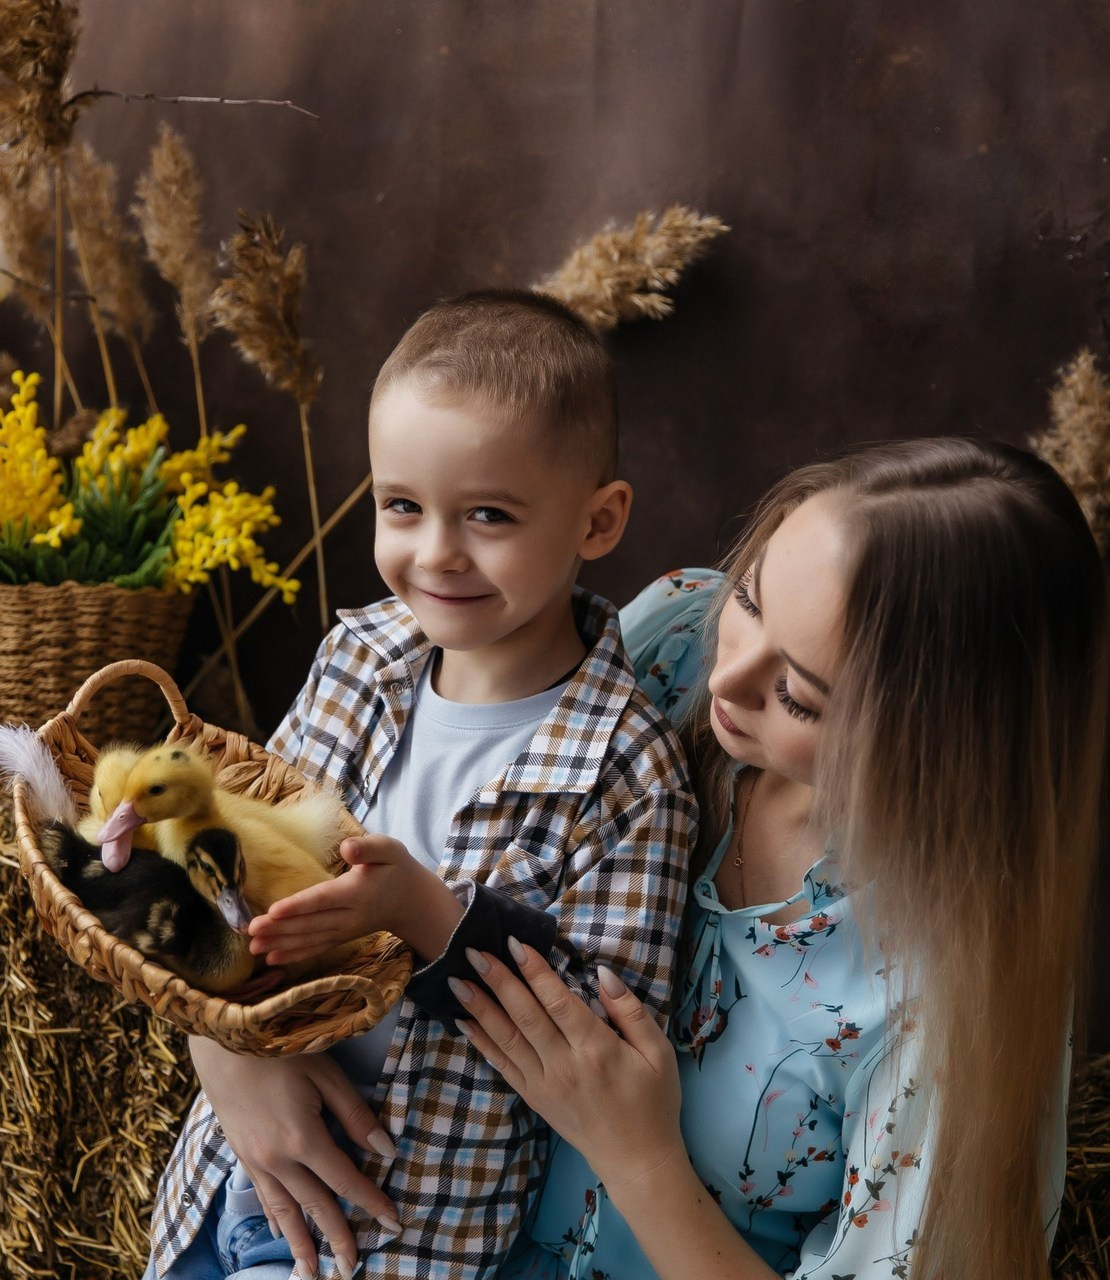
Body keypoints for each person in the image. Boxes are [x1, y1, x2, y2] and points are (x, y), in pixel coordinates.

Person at [450, 437, 1109, 1280]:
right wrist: (271, 1055)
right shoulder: (675, 640)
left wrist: (638, 1154)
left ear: (939, 746)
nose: (726, 681)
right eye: (751, 600)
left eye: (798, 695)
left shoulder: (942, 1000)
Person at [142, 291, 697, 1280]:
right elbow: (229, 861)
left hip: (394, 1230)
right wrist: (221, 1037)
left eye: (488, 515)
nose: (435, 552)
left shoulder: (628, 771)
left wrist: (421, 911)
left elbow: (606, 1047)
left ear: (598, 520)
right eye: (401, 505)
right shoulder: (358, 656)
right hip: (231, 1165)